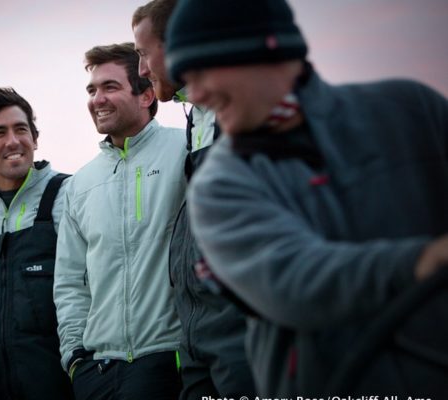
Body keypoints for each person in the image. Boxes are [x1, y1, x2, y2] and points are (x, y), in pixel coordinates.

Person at [166, 0, 448, 396]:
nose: (193, 93)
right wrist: (423, 261)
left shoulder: (410, 109)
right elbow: (293, 282)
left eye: (198, 72)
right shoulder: (219, 183)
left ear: (260, 49)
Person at [132, 1, 255, 398]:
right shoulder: (196, 119)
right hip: (196, 339)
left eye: (143, 54)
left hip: (244, 341)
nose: (141, 70)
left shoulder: (248, 111)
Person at [53, 42, 187, 400]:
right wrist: (76, 359)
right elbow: (69, 282)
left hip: (171, 360)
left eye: (110, 87)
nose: (97, 99)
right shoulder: (78, 185)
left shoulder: (186, 150)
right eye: (92, 90)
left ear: (145, 94)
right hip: (98, 373)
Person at [0, 86, 73, 400]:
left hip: (62, 384)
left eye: (21, 129)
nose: (13, 141)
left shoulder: (68, 194)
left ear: (34, 139)